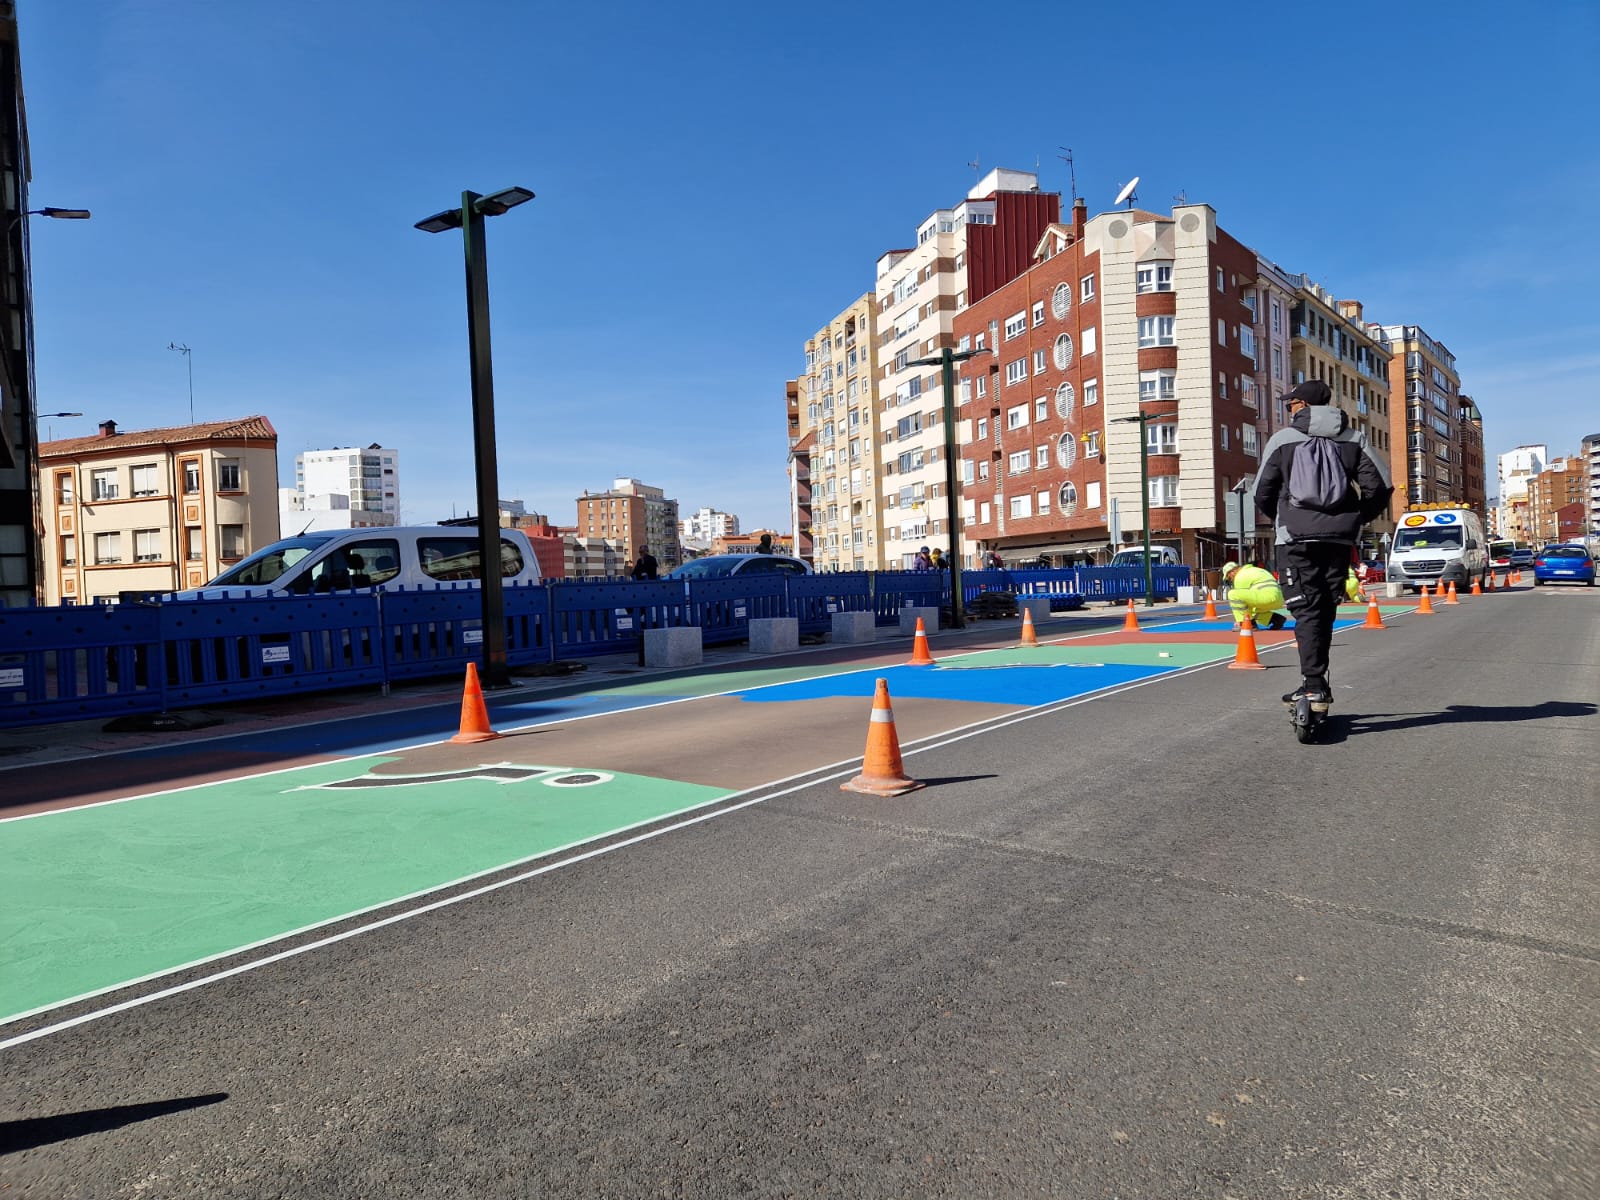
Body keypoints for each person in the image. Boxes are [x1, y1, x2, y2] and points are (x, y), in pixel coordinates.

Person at [1254, 380, 1394, 704]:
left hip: (1294, 539)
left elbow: (1262, 491)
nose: (1288, 409)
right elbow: (1380, 487)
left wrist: (1283, 517)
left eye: (1291, 404)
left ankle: (1312, 683)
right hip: (1338, 539)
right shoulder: (1354, 438)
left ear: (1303, 405)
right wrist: (1354, 518)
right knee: (1326, 607)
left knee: (1305, 609)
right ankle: (1317, 682)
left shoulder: (1283, 440)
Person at [1222, 560, 1287, 630]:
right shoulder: (1256, 570)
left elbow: (1240, 600)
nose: (1230, 580)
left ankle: (1246, 624)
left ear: (1232, 572)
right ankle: (1276, 619)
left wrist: (1239, 620)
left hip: (1266, 597)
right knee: (1251, 611)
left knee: (1233, 594)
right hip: (1278, 600)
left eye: (1229, 577)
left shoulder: (1240, 576)